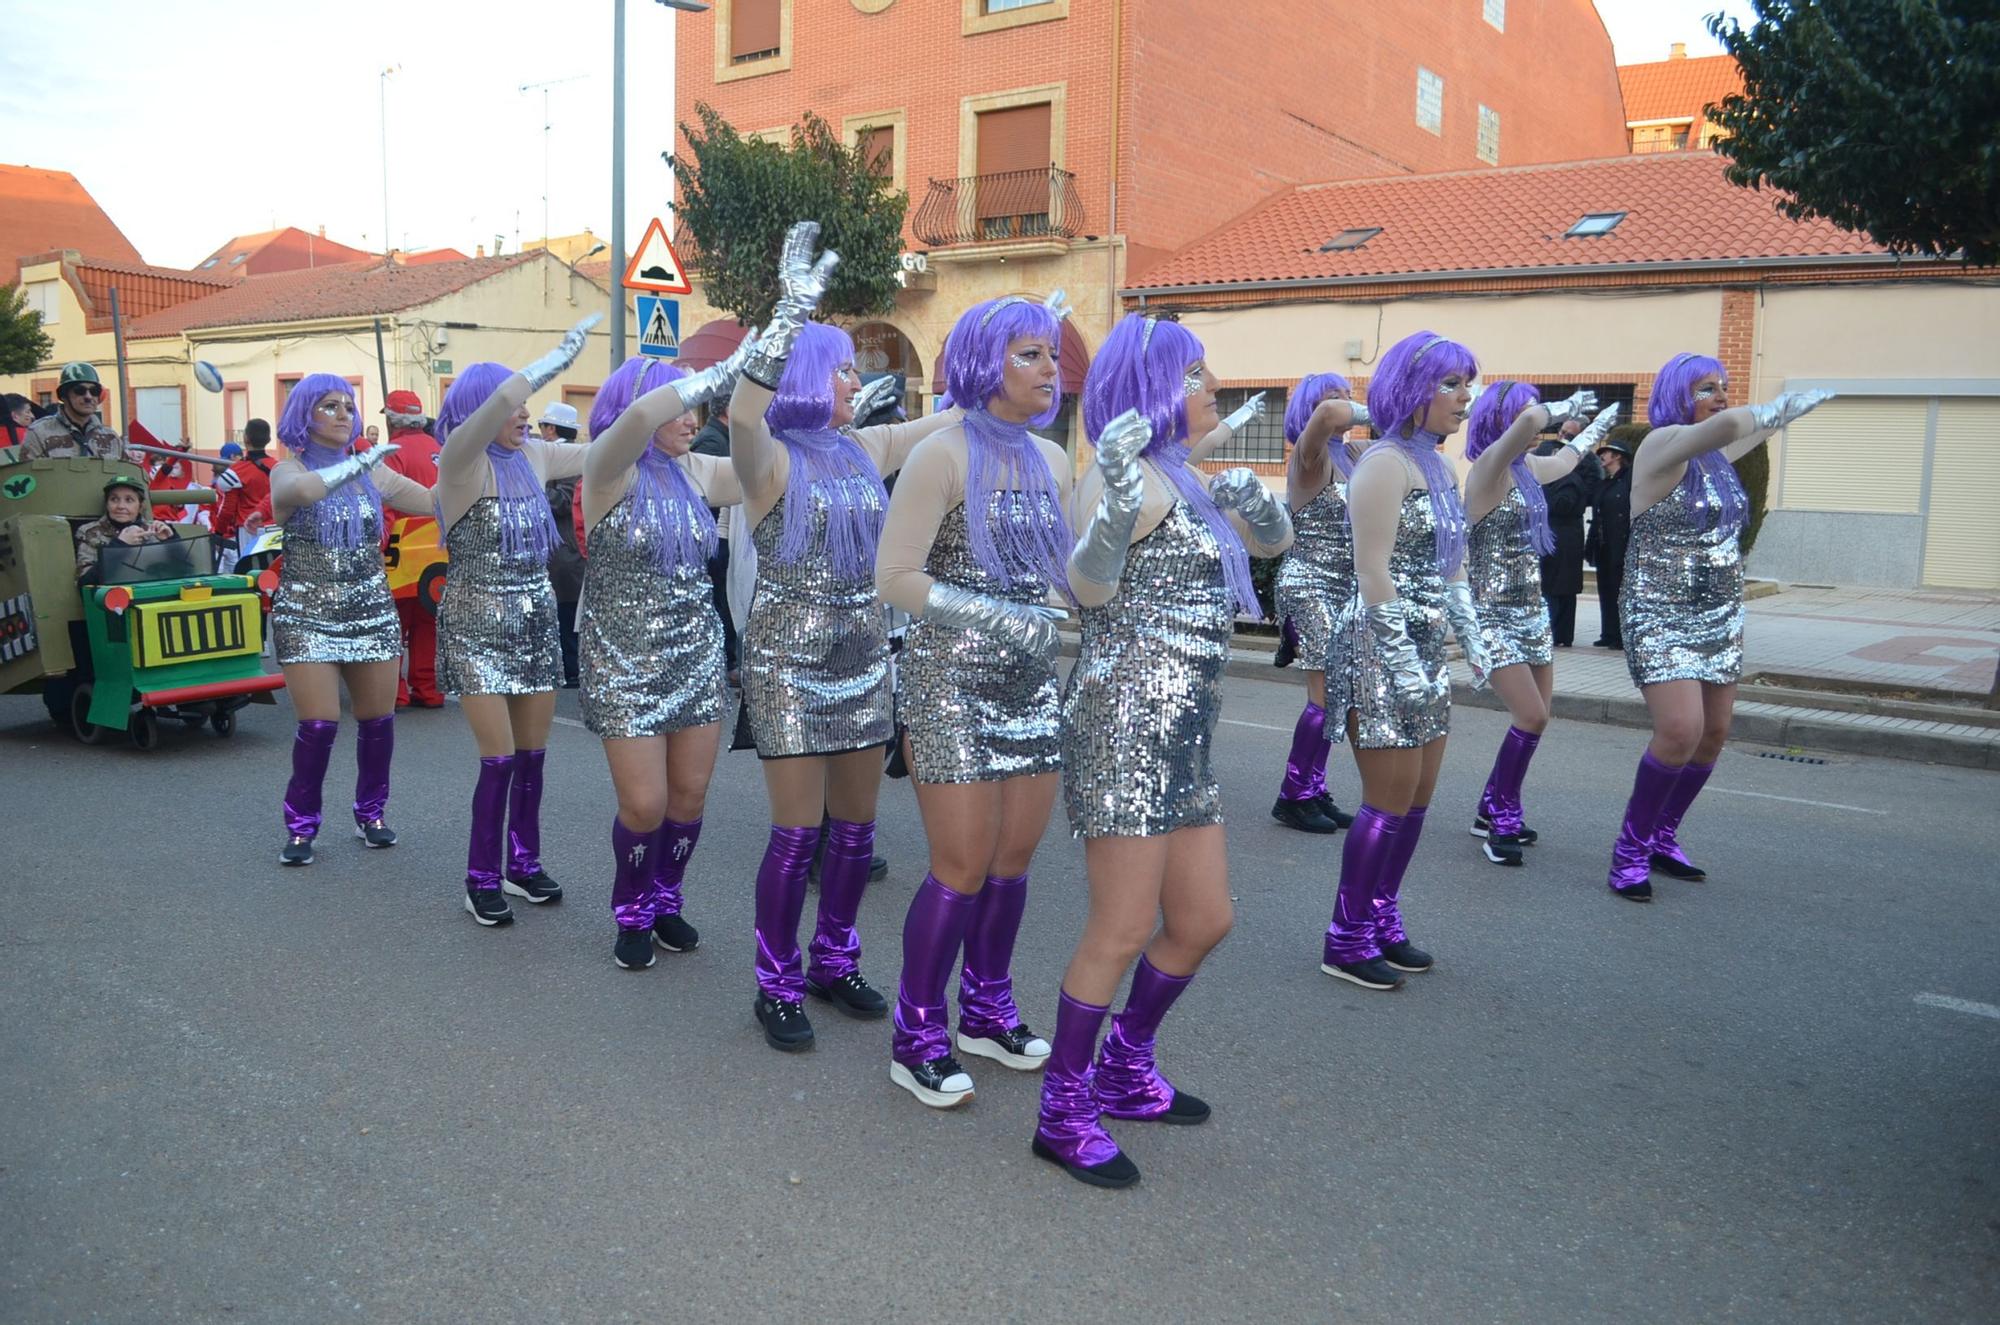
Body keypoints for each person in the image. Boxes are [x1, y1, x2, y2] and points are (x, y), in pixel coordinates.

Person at [1033, 314, 1293, 1188]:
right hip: (1124, 727)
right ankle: (1063, 1109)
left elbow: (1273, 547)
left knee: (1204, 918)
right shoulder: (1124, 485)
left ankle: (1122, 1066)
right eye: (1195, 378)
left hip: (1183, 735)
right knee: (1121, 926)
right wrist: (1107, 514)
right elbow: (1085, 587)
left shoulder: (1176, 475)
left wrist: (1263, 509)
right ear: (1150, 392)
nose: (1211, 389)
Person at [726, 222, 966, 1053]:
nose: (852, 376)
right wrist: (791, 314)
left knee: (856, 834)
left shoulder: (864, 447)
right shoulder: (767, 462)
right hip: (789, 664)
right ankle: (776, 979)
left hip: (863, 655)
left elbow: (951, 420)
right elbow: (740, 410)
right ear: (802, 374)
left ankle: (833, 958)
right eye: (837, 365)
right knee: (796, 834)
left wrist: (1003, 343)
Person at [872, 293, 1079, 1109]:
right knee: (959, 868)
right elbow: (894, 576)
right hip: (948, 682)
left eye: (1051, 352)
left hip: (1029, 684)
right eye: (1027, 353)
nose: (1047, 367)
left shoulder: (1055, 461)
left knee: (1012, 864)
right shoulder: (941, 453)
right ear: (983, 364)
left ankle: (986, 1010)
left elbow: (1063, 572)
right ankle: (915, 1030)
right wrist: (998, 614)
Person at [1603, 356, 1831, 901]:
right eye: (1707, 387)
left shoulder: (1714, 460)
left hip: (1719, 612)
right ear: (1676, 396)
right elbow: (1732, 425)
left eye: (1725, 386)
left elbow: (1742, 434)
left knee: (1714, 733)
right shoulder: (1661, 446)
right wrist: (1777, 404)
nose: (1722, 395)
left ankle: (1662, 835)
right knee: (1680, 730)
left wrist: (1783, 418)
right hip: (1659, 612)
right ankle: (1628, 851)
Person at [1320, 331, 1489, 993]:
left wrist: (1474, 643)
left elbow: (1452, 571)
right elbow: (1372, 571)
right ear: (1412, 389)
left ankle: (1382, 916)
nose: (1464, 397)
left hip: (1424, 652)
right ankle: (1345, 936)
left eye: (1466, 384)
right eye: (1450, 384)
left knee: (1417, 799)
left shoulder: (1443, 469)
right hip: (1380, 649)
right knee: (1386, 800)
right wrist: (1407, 664)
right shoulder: (1384, 464)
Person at [579, 344, 757, 969]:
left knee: (689, 796)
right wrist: (701, 376)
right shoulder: (608, 472)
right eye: (680, 407)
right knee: (645, 804)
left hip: (696, 654)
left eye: (699, 407)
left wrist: (776, 386)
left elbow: (765, 469)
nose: (692, 419)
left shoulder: (698, 472)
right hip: (624, 663)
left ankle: (664, 899)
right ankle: (630, 908)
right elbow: (629, 428)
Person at [432, 318, 599, 927]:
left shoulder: (534, 454)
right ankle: (480, 877)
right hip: (477, 620)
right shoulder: (459, 464)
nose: (525, 414)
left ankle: (521, 863)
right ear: (482, 410)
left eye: (528, 405)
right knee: (497, 758)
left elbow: (603, 451)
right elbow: (478, 428)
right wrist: (551, 359)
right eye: (515, 405)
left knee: (533, 755)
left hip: (533, 618)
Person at [267, 376, 435, 866]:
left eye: (348, 406)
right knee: (318, 724)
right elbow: (302, 490)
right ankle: (301, 826)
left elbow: (430, 500)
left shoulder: (372, 472)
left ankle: (371, 814)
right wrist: (361, 462)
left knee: (378, 722)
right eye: (329, 406)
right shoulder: (287, 470)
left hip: (370, 609)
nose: (343, 415)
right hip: (306, 613)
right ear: (305, 414)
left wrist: (472, 458)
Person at [1460, 383, 1619, 865]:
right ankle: (1502, 820)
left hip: (1531, 612)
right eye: (1525, 413)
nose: (1537, 422)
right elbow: (1528, 428)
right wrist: (1558, 409)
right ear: (1504, 420)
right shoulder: (1487, 468)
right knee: (1532, 715)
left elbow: (1567, 460)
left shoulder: (1527, 469)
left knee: (1534, 720)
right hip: (1491, 616)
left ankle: (1490, 805)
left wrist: (1598, 427)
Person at [1270, 374, 1370, 835]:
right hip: (1308, 585)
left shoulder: (1351, 455)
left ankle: (1312, 787)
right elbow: (1328, 418)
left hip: (1345, 588)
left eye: (1349, 396)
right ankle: (1293, 795)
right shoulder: (1308, 456)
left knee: (1337, 698)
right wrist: (1389, 408)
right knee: (1323, 697)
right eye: (1333, 398)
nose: (1342, 405)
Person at [376, 391, 444, 708]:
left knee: (394, 624)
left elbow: (386, 504)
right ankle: (428, 689)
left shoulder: (391, 452)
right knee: (428, 622)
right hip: (437, 549)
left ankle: (396, 692)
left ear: (391, 419)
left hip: (402, 550)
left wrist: (379, 545)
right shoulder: (437, 448)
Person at [1536, 419, 1601, 647]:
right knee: (1556, 588)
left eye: (1568, 435)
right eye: (1561, 432)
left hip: (1564, 537)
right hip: (1555, 535)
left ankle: (1558, 633)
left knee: (1559, 590)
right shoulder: (1553, 467)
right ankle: (1559, 634)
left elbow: (1565, 505)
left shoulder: (1574, 479)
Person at [691, 393, 742, 680]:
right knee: (721, 599)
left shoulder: (721, 437)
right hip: (715, 534)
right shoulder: (712, 441)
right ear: (727, 409)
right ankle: (727, 660)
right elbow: (706, 494)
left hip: (720, 530)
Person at [1586, 429, 1638, 649]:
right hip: (1604, 545)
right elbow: (1597, 516)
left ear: (1617, 456)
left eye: (1605, 453)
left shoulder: (1628, 481)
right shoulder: (1604, 483)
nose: (1602, 457)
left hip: (1622, 544)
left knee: (1620, 591)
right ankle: (1608, 632)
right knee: (1605, 589)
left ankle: (1621, 635)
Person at [74, 477, 175, 581]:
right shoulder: (90, 532)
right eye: (114, 499)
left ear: (140, 506)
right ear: (107, 504)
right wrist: (121, 545)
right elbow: (85, 581)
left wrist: (172, 541)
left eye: (129, 500)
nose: (121, 506)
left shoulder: (153, 530)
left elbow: (185, 570)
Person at [21, 363, 123, 460]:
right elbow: (28, 474)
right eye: (80, 390)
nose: (88, 397)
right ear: (64, 396)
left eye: (94, 391)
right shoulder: (39, 433)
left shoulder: (111, 437)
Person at [212, 420, 276, 553]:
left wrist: (218, 533)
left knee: (249, 571)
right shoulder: (278, 467)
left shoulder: (236, 471)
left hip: (247, 530)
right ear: (269, 439)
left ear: (245, 438)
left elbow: (227, 509)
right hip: (276, 529)